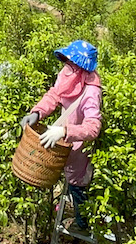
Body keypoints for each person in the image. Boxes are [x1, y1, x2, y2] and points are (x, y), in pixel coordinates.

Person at [20, 40, 102, 229]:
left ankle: (81, 224)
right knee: (64, 179)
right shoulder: (69, 77)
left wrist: (65, 131)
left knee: (77, 186)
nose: (66, 67)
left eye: (70, 63)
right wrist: (37, 112)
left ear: (81, 68)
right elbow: (55, 95)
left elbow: (93, 127)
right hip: (63, 145)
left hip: (78, 149)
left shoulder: (90, 92)